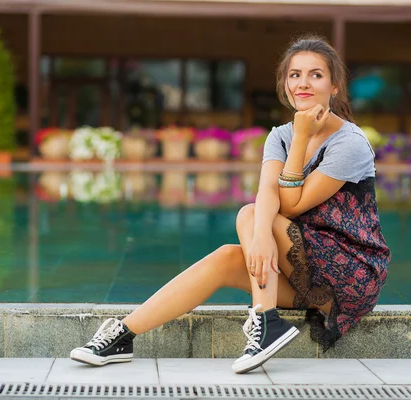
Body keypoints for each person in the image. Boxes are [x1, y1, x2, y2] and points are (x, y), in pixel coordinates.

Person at [70, 35, 392, 374]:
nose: (303, 83)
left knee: (251, 215)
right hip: (305, 264)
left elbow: (293, 205)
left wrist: (300, 138)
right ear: (285, 83)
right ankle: (123, 334)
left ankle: (266, 323)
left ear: (335, 86)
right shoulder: (279, 135)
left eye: (315, 75)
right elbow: (268, 191)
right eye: (295, 75)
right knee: (228, 254)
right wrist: (263, 237)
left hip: (352, 276)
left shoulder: (349, 142)